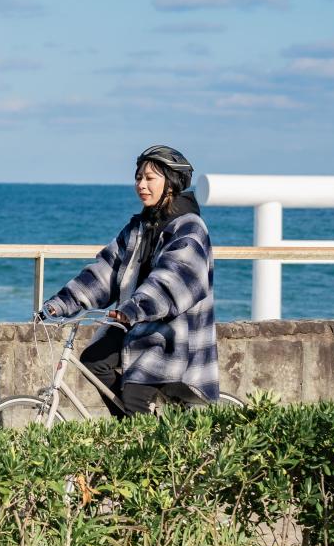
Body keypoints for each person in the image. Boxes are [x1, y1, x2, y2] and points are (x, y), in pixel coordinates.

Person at [38, 144, 219, 416]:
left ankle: (149, 451)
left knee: (135, 392)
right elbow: (106, 270)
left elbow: (173, 280)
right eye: (138, 178)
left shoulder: (189, 227)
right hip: (135, 321)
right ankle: (131, 430)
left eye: (150, 178)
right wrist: (61, 304)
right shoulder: (140, 226)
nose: (141, 185)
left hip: (173, 334)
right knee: (93, 361)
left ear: (170, 184)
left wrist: (133, 309)